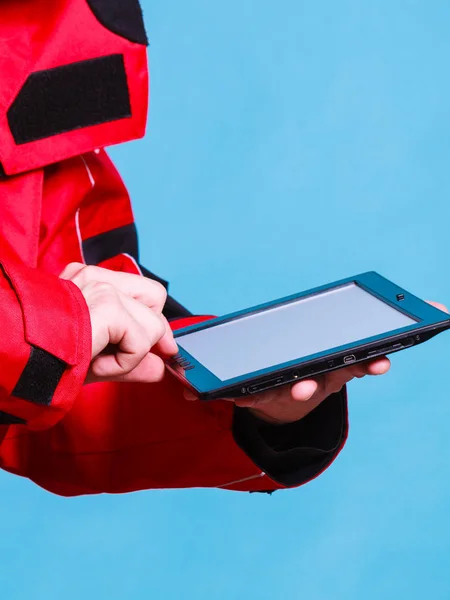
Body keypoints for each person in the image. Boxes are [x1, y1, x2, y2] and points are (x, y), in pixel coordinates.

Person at [0, 0, 438, 497]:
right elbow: (50, 332)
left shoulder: (53, 25)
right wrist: (48, 330)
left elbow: (56, 388)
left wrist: (248, 410)